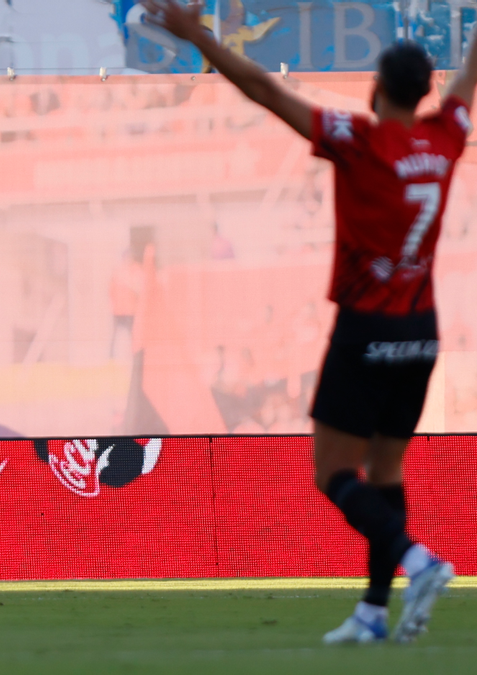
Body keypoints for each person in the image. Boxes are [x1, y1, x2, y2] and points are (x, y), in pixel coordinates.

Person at [145, 0, 473, 644]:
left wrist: (198, 37)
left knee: (333, 474)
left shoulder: (359, 139)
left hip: (364, 329)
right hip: (420, 330)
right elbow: (469, 82)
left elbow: (265, 90)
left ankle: (417, 562)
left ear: (377, 91)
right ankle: (375, 613)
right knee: (386, 473)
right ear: (428, 91)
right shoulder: (446, 138)